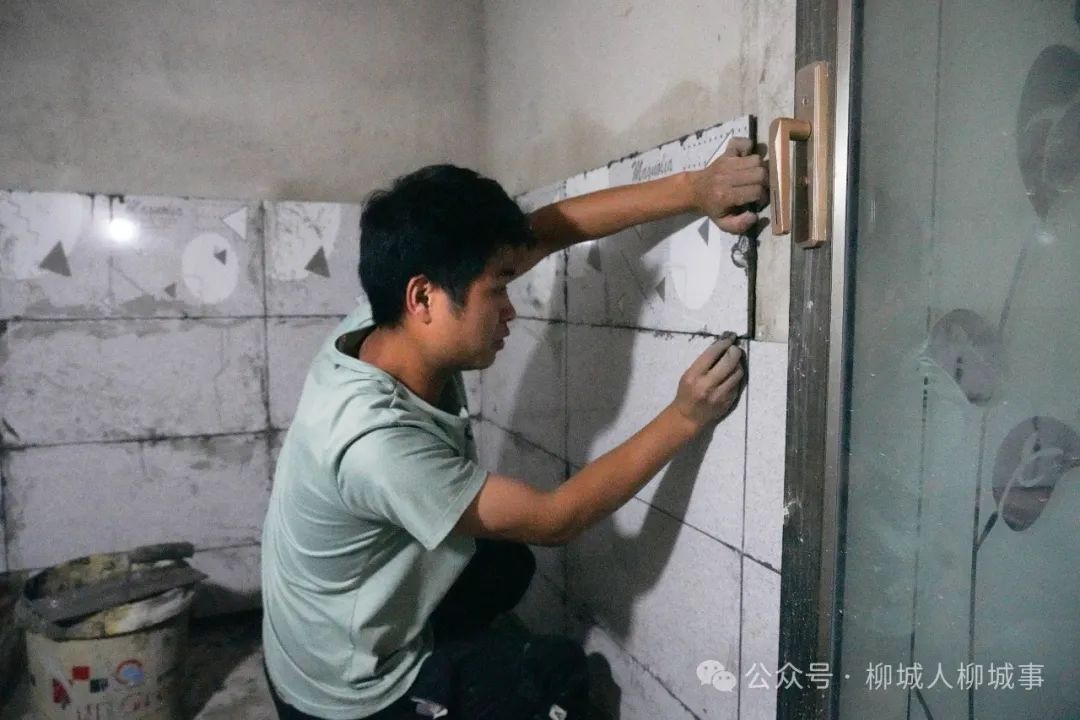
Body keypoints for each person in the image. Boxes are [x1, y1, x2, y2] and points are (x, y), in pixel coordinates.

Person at [261, 139, 767, 720]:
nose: (511, 308)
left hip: (313, 634)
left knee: (504, 566)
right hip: (342, 690)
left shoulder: (384, 323)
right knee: (553, 675)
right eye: (497, 288)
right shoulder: (377, 445)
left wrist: (694, 189)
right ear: (424, 297)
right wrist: (685, 416)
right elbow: (556, 519)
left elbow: (543, 233)